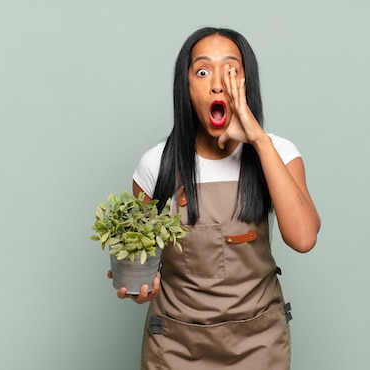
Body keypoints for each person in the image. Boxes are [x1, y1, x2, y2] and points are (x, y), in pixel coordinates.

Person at [115, 27, 320, 369]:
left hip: (260, 345)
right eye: (203, 71)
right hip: (175, 347)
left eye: (231, 70)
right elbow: (139, 266)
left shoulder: (279, 153)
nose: (217, 83)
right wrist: (139, 287)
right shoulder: (156, 164)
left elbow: (303, 238)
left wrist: (258, 140)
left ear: (245, 83)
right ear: (187, 86)